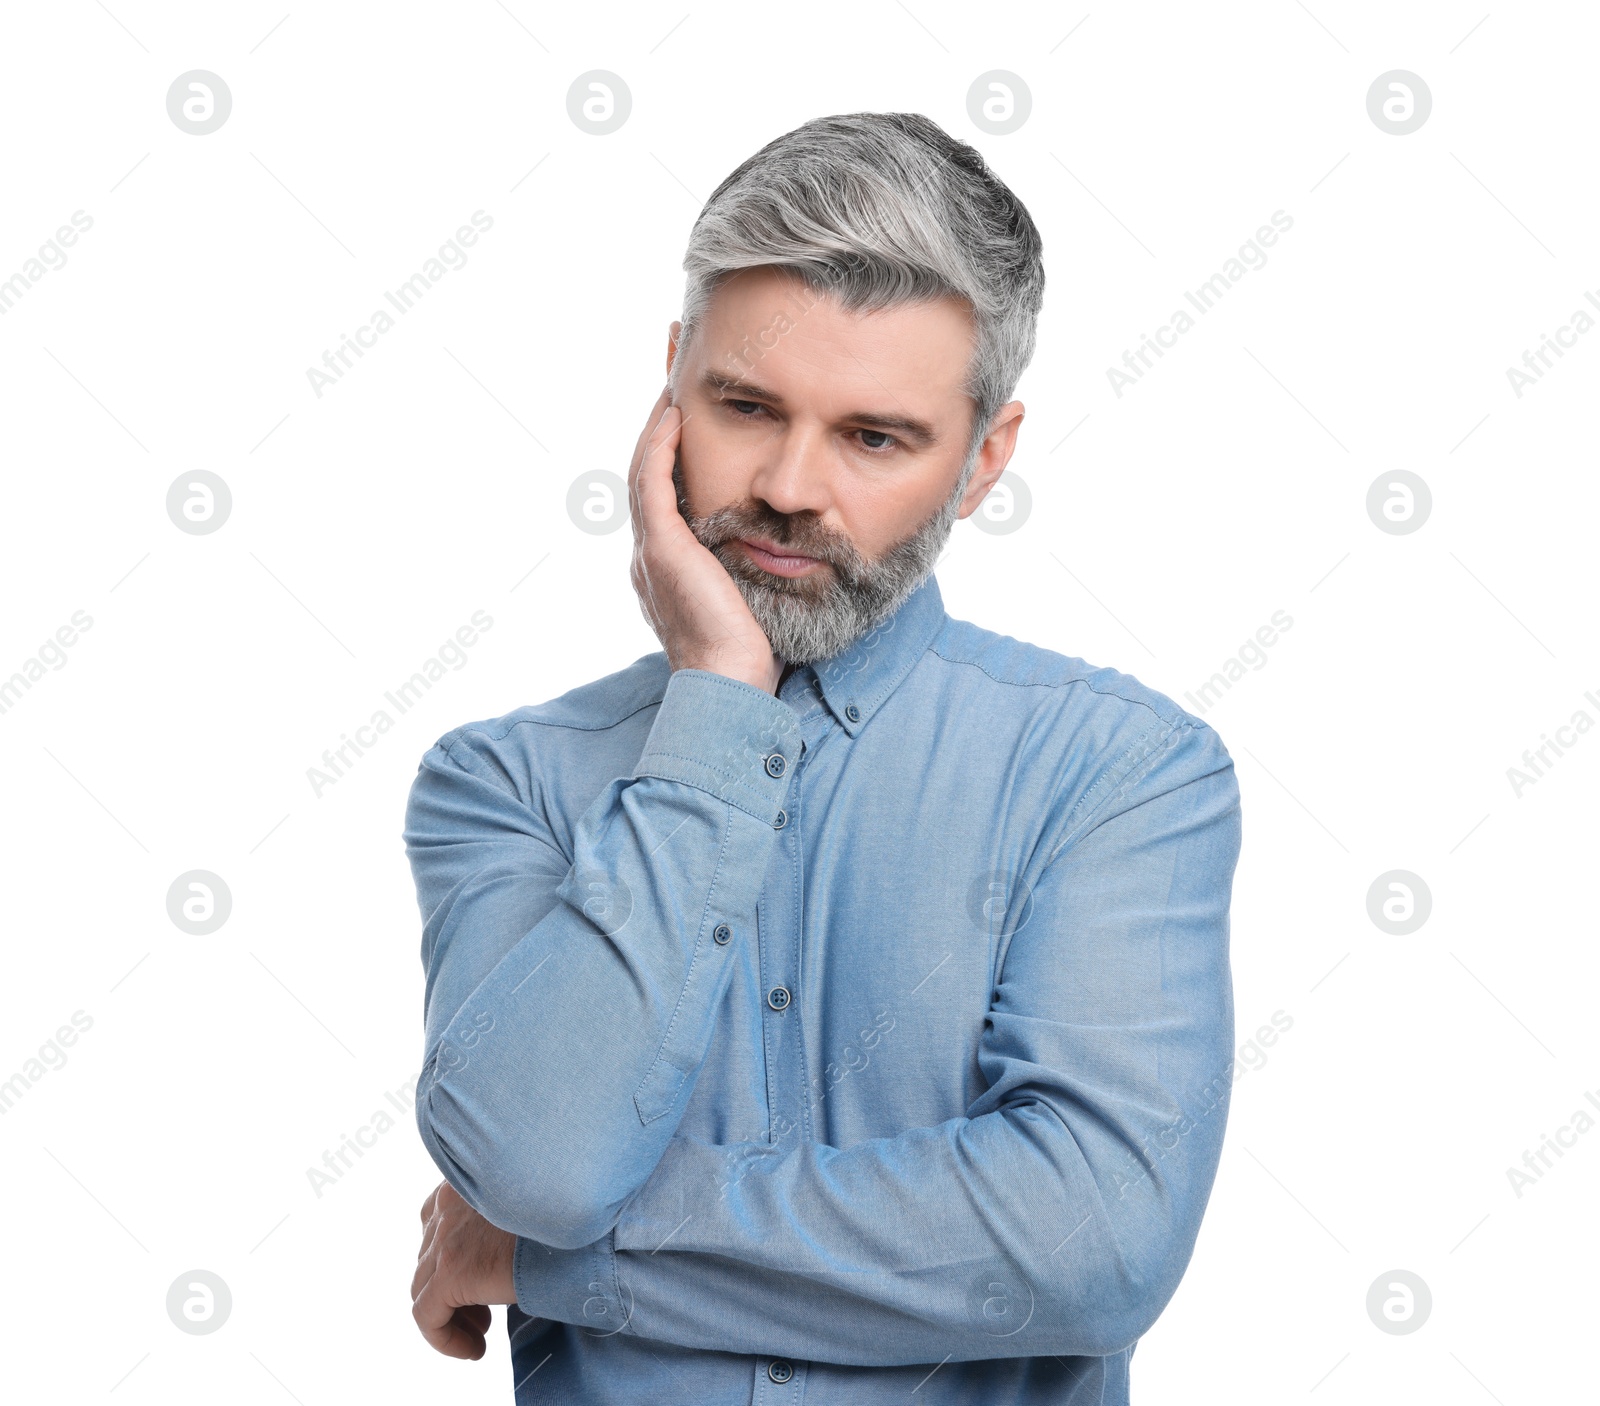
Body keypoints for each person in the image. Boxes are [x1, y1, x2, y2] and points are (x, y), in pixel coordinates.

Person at [404, 110, 1242, 1405]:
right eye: (745, 406)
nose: (792, 485)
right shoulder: (507, 779)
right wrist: (721, 705)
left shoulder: (1121, 772)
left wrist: (553, 1258)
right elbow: (541, 1166)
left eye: (874, 437)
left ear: (984, 460)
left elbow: (1090, 1243)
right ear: (670, 381)